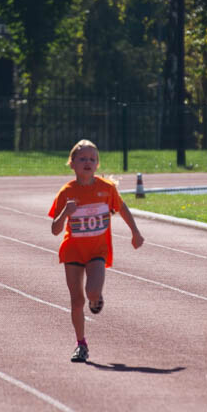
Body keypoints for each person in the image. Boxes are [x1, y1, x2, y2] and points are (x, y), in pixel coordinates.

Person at [49, 139, 145, 363]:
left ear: (98, 164)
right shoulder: (66, 192)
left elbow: (122, 209)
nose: (87, 162)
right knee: (76, 301)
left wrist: (135, 232)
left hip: (97, 250)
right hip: (72, 251)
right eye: (82, 159)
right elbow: (55, 230)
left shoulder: (106, 189)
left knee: (92, 293)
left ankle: (96, 299)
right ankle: (81, 344)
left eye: (92, 159)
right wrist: (65, 212)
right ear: (72, 163)